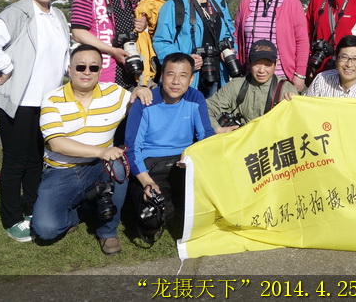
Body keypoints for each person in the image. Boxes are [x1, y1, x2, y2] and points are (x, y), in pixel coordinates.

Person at [0, 0, 71, 242]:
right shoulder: (18, 12)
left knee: (36, 159)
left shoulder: (57, 15)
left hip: (46, 101)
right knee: (15, 162)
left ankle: (31, 209)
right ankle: (12, 218)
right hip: (18, 100)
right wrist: (6, 66)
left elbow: (63, 55)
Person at [30, 45, 132, 255]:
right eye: (80, 67)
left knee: (119, 167)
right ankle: (81, 211)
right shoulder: (52, 99)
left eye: (93, 67)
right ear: (70, 70)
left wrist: (141, 90)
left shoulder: (115, 93)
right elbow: (57, 143)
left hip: (99, 168)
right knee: (46, 229)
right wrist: (101, 152)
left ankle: (107, 232)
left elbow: (138, 101)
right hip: (61, 170)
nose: (87, 72)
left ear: (100, 71)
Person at [125, 52, 215, 241]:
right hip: (151, 166)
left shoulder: (195, 98)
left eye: (183, 75)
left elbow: (206, 137)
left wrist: (191, 156)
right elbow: (131, 149)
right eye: (170, 74)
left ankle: (177, 201)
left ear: (191, 79)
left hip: (182, 163)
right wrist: (147, 182)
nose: (176, 82)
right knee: (151, 220)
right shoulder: (145, 101)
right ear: (161, 75)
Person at [153, 0, 236, 97]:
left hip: (218, 74)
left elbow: (230, 32)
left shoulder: (219, 2)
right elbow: (161, 43)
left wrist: (230, 49)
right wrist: (186, 60)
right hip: (188, 78)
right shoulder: (174, 6)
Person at [234, 0, 309, 93]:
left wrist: (300, 74)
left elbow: (302, 41)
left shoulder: (292, 3)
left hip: (282, 77)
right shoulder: (247, 2)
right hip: (251, 75)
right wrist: (238, 65)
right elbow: (236, 37)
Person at [208, 40, 295, 132]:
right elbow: (207, 107)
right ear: (249, 62)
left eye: (267, 65)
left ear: (276, 64)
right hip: (241, 137)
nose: (261, 70)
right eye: (257, 64)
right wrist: (218, 129)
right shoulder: (236, 85)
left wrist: (293, 103)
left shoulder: (285, 89)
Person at [307, 35, 356, 101]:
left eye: (355, 59)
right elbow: (307, 107)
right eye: (344, 57)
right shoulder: (321, 80)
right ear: (336, 59)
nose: (349, 65)